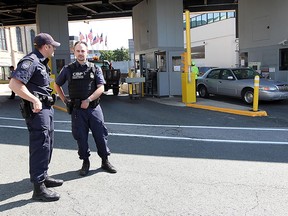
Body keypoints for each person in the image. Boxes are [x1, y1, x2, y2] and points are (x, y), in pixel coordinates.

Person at [9, 33, 63, 202]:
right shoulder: (31, 61)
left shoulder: (41, 62)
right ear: (45, 47)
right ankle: (38, 188)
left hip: (45, 108)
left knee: (48, 143)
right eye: (52, 46)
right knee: (40, 145)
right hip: (37, 111)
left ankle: (43, 176)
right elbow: (14, 84)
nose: (54, 48)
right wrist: (33, 99)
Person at [54, 41, 117, 177]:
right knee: (81, 137)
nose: (80, 53)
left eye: (83, 51)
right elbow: (57, 85)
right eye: (78, 51)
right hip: (77, 111)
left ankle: (105, 161)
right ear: (74, 52)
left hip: (94, 109)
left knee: (100, 135)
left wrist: (89, 100)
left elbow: (101, 88)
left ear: (87, 52)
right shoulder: (68, 69)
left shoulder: (95, 69)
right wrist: (65, 100)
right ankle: (85, 162)